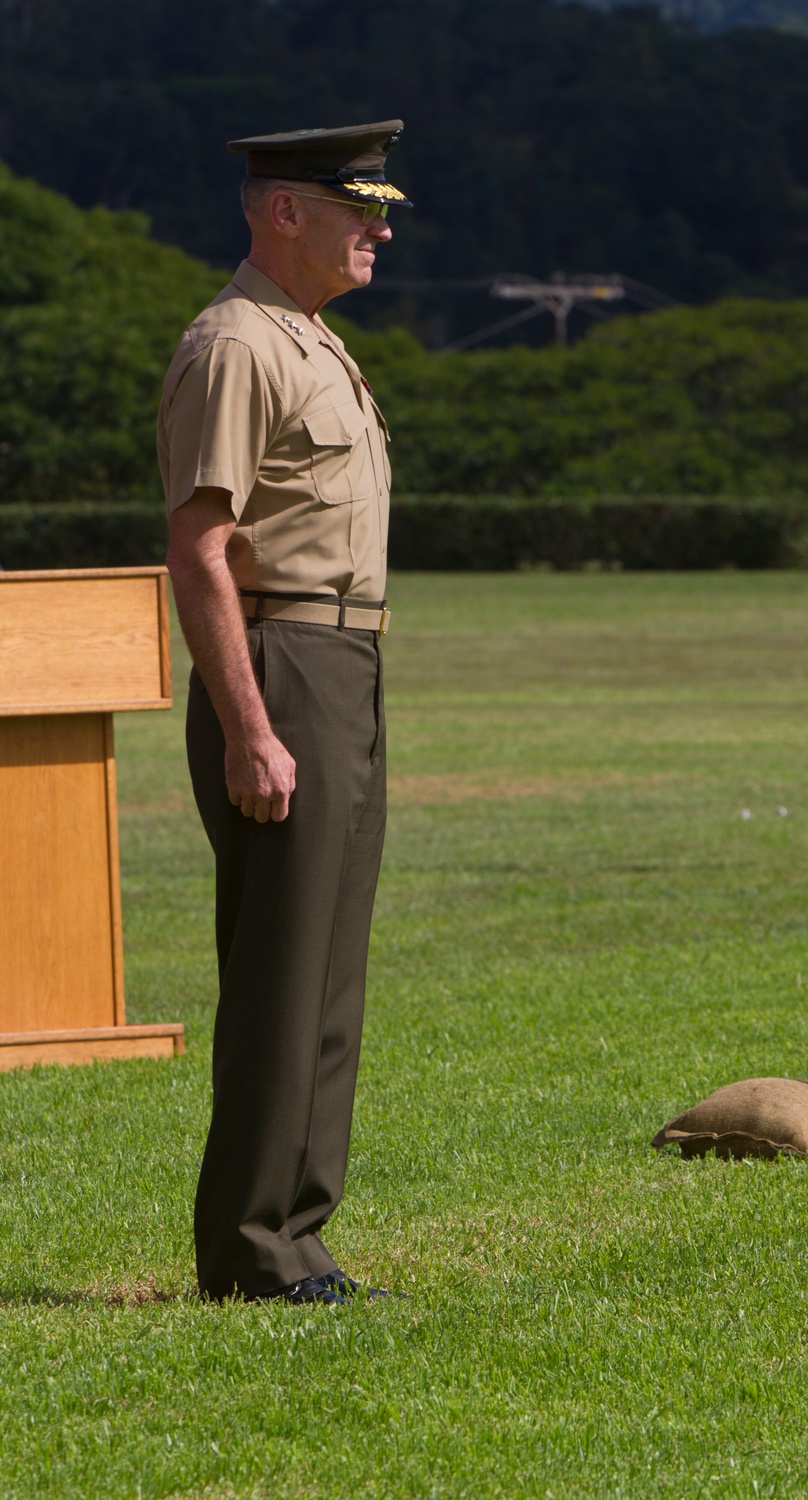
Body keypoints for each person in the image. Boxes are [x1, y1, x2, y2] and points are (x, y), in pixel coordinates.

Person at [158, 122, 411, 1305]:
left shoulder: (310, 340)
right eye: (356, 204)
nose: (381, 227)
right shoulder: (234, 345)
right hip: (281, 664)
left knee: (327, 968)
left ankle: (299, 1233)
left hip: (344, 663)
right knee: (278, 964)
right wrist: (250, 724)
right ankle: (250, 1251)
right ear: (282, 212)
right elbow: (201, 551)